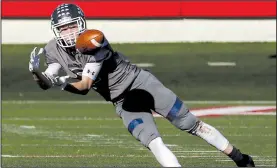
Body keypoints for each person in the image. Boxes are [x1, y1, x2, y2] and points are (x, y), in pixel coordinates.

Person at [28, 3, 255, 167]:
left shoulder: (93, 41)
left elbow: (85, 85)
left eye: (72, 26)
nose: (69, 32)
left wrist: (61, 82)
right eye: (64, 28)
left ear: (82, 24)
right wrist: (37, 73)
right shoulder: (52, 49)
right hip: (121, 100)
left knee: (191, 124)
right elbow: (48, 80)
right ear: (56, 30)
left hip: (141, 83)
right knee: (153, 142)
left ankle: (239, 158)